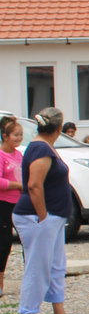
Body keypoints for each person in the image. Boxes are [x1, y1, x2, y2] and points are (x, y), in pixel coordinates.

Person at [12, 107, 84, 314]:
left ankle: (59, 312)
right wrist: (43, 216)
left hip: (52, 217)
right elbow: (34, 184)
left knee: (55, 265)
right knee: (38, 266)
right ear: (59, 128)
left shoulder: (44, 147)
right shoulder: (40, 149)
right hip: (37, 217)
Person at [0, 115, 23, 297]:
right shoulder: (1, 155)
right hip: (4, 204)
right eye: (15, 135)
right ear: (5, 136)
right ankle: (0, 282)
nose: (18, 138)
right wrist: (16, 185)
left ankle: (31, 280)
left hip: (20, 203)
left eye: (21, 135)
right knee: (4, 243)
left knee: (27, 240)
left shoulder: (19, 155)